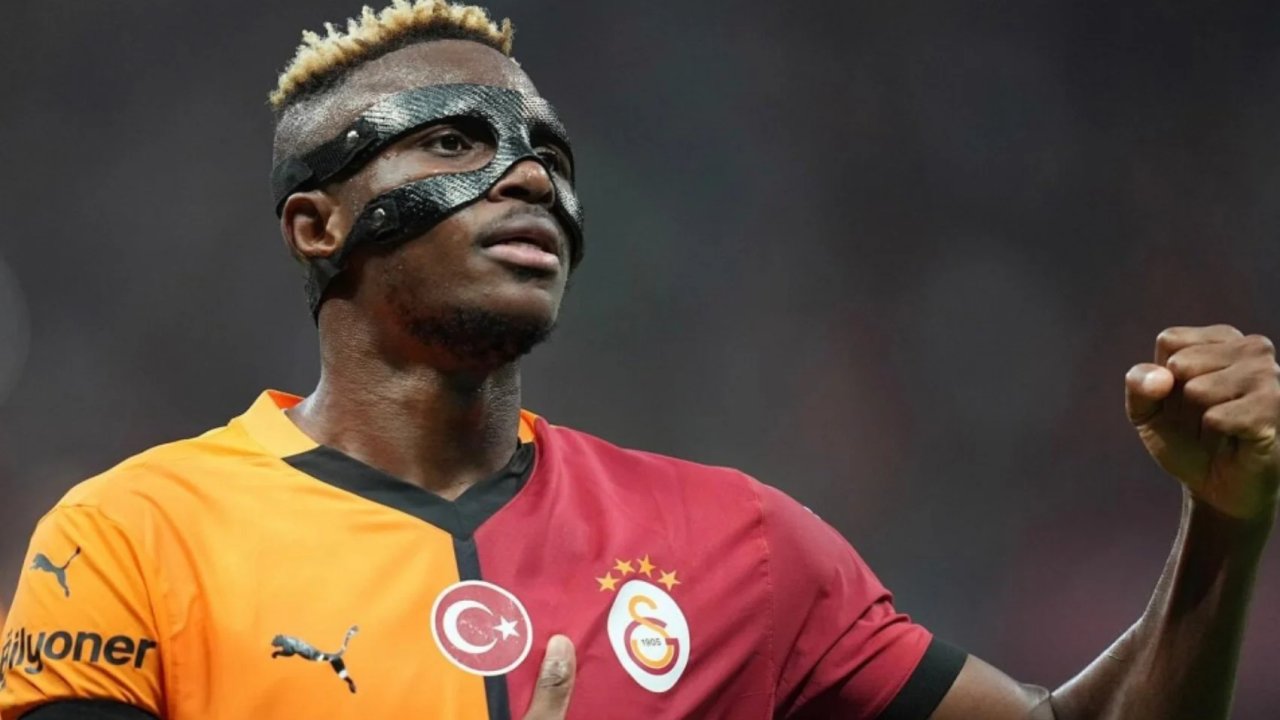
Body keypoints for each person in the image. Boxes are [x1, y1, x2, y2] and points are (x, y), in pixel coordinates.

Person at [2, 2, 1276, 718]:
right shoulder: (134, 537)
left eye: (547, 154)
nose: (526, 179)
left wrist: (1221, 526)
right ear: (315, 224)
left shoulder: (739, 544)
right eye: (453, 142)